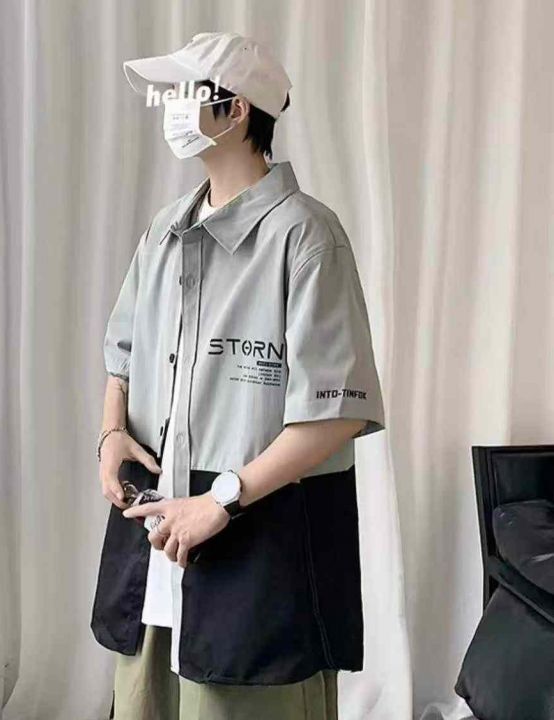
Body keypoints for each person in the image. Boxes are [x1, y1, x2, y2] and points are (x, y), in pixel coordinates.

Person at [91, 31, 386, 720]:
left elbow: (338, 410)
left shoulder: (306, 237)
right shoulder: (164, 232)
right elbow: (123, 353)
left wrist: (220, 500)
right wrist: (110, 434)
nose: (171, 107)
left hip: (259, 545)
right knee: (144, 702)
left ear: (237, 109)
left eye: (184, 92)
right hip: (157, 537)